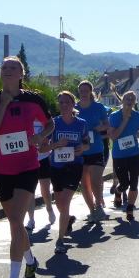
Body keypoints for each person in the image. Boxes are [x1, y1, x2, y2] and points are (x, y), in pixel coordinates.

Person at [0, 56, 53, 278]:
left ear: (22, 74)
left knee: (14, 221)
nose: (8, 70)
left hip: (27, 167)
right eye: (5, 67)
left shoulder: (33, 99)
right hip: (1, 169)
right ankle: (31, 261)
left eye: (13, 67)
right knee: (16, 223)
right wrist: (4, 104)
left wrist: (40, 136)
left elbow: (50, 123)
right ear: (0, 73)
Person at [39, 91, 89, 253]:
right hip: (57, 167)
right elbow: (42, 148)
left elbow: (87, 143)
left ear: (73, 104)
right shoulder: (53, 124)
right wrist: (55, 145)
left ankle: (60, 240)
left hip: (74, 166)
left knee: (65, 202)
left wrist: (83, 148)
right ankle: (67, 219)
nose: (64, 105)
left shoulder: (81, 124)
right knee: (60, 204)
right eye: (61, 102)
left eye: (67, 102)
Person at [108, 91, 139, 221]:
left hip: (134, 153)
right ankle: (118, 191)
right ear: (122, 100)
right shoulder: (115, 116)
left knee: (134, 183)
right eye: (127, 99)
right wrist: (125, 120)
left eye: (132, 99)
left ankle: (130, 209)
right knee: (124, 184)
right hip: (119, 155)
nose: (130, 101)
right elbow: (113, 137)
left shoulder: (138, 116)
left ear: (135, 102)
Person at [76, 80, 110, 223]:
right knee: (84, 182)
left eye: (86, 91)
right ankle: (91, 210)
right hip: (80, 150)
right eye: (81, 91)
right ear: (78, 92)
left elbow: (107, 124)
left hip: (96, 148)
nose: (84, 93)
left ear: (90, 92)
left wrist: (102, 128)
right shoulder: (74, 108)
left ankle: (99, 205)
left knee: (95, 180)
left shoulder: (98, 107)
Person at [26, 121, 56, 231]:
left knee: (45, 191)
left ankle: (49, 208)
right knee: (30, 191)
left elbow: (49, 139)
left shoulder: (44, 122)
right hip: (29, 160)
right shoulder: (25, 120)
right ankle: (31, 219)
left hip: (43, 159)